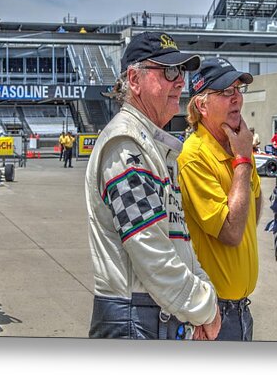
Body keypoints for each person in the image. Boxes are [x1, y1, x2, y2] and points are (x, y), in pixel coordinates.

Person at [85, 31, 220, 340]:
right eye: (169, 71)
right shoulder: (126, 144)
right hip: (133, 319)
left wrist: (202, 292)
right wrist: (204, 307)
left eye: (182, 71)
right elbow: (150, 250)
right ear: (135, 79)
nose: (180, 81)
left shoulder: (151, 145)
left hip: (153, 316)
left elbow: (178, 239)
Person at [178, 57, 262, 341]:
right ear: (202, 105)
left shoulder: (236, 145)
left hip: (240, 310)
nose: (236, 97)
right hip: (214, 314)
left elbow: (254, 206)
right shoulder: (195, 155)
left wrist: (242, 158)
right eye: (226, 91)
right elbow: (232, 231)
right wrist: (242, 161)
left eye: (238, 89)